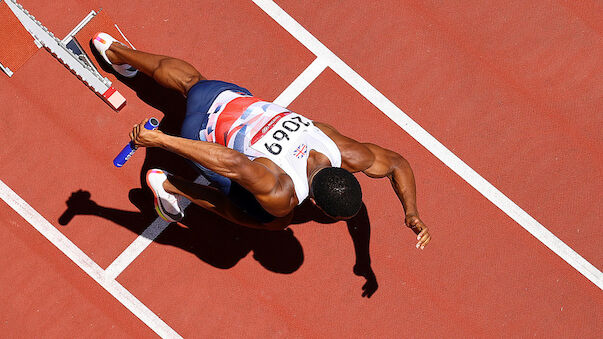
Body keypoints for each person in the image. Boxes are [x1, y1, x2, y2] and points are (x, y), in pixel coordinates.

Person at [92, 32, 431, 250]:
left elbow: (397, 164)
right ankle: (170, 186)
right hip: (199, 130)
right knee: (270, 220)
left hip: (226, 97)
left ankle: (116, 51)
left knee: (191, 81)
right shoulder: (283, 192)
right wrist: (162, 140)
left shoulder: (339, 148)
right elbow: (234, 164)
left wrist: (411, 212)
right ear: (314, 203)